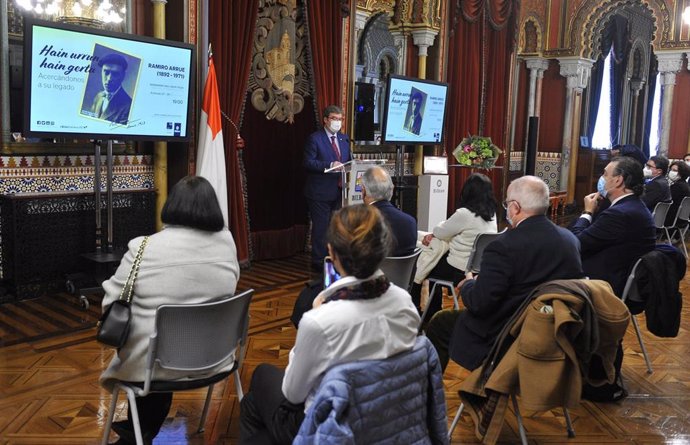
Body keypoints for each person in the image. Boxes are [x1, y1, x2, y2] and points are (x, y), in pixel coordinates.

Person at [240, 204, 420, 444]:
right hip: (386, 419)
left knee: (258, 383)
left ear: (331, 253)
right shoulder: (405, 304)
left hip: (328, 427)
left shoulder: (321, 320)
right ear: (384, 249)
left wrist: (309, 330)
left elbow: (293, 393)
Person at [100, 176, 240, 445]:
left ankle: (137, 434)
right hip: (216, 358)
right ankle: (137, 432)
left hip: (157, 365)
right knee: (166, 341)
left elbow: (111, 302)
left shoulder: (142, 247)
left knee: (152, 343)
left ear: (171, 205)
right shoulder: (227, 242)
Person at [425, 176, 584, 372]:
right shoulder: (570, 240)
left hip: (507, 333)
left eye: (507, 204)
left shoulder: (503, 246)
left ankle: (428, 393)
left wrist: (468, 284)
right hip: (555, 333)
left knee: (440, 322)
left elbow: (479, 303)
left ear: (515, 207)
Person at [570, 156, 655, 402]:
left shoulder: (621, 214)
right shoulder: (633, 207)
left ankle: (566, 369)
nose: (602, 178)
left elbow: (578, 242)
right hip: (622, 281)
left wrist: (586, 214)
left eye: (606, 174)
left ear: (618, 180)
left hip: (606, 287)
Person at [410, 173, 498, 320]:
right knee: (435, 259)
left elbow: (440, 231)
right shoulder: (492, 214)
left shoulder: (465, 214)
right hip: (478, 267)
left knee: (424, 265)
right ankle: (432, 313)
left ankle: (426, 313)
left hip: (458, 268)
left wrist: (434, 234)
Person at [303, 105, 351, 272]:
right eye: (334, 118)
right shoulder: (315, 139)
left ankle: (333, 258)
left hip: (339, 190)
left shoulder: (344, 139)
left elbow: (348, 161)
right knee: (321, 227)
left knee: (335, 227)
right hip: (319, 192)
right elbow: (308, 162)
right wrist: (329, 165)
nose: (337, 122)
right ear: (325, 120)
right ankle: (318, 261)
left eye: (340, 119)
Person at [360, 166, 417, 256]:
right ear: (392, 189)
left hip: (372, 270)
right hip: (401, 270)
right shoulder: (410, 222)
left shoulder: (360, 224)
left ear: (363, 191)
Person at [90, 53, 133, 124]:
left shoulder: (128, 106)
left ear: (123, 76)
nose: (109, 78)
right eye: (106, 72)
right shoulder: (98, 96)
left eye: (115, 74)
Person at [665, 160, 690, 227]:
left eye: (675, 170)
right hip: (681, 219)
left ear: (682, 173)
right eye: (671, 170)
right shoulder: (685, 185)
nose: (671, 172)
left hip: (671, 218)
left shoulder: (677, 186)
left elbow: (668, 201)